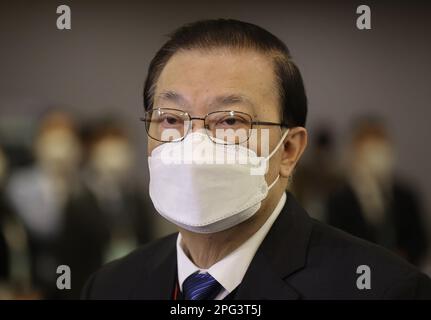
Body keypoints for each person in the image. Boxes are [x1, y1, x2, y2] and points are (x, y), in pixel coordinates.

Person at [82, 19, 431, 300]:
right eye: (171, 119)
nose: (195, 144)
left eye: (231, 120)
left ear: (289, 150)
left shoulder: (385, 289)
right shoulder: (110, 287)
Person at [327, 118, 428, 266]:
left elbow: (419, 240)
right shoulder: (339, 199)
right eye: (371, 147)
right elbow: (337, 242)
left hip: (403, 275)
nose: (378, 154)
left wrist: (404, 258)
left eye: (381, 145)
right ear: (355, 150)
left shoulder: (406, 195)